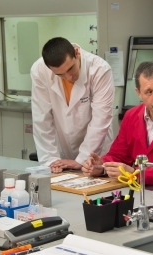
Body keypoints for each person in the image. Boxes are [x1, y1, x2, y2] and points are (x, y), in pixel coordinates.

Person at [31, 37, 114, 173]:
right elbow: (42, 119)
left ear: (77, 53)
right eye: (60, 74)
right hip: (63, 154)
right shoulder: (39, 71)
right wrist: (51, 161)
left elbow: (101, 119)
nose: (69, 77)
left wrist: (82, 159)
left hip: (95, 152)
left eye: (71, 69)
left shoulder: (100, 70)